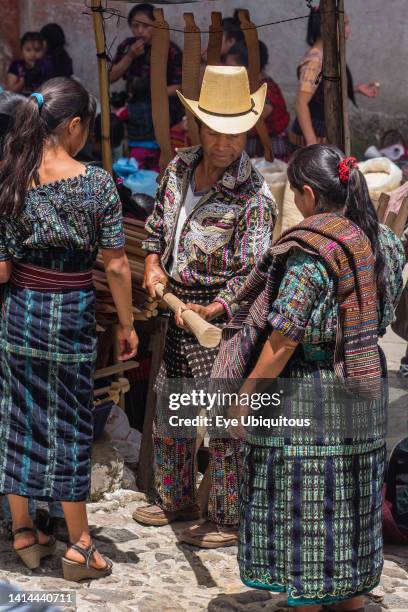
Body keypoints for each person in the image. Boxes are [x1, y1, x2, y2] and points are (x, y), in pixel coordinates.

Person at [212, 144, 405, 609]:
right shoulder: (387, 243)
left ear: (308, 194)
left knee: (305, 499)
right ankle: (350, 598)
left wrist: (244, 397)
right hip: (364, 378)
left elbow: (283, 340)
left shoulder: (311, 252)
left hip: (309, 391)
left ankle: (309, 599)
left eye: (296, 195)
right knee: (353, 496)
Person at [132, 66, 277, 548]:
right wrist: (153, 264)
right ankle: (175, 500)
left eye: (235, 134)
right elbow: (156, 227)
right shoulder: (178, 169)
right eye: (216, 131)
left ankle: (227, 518)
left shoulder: (254, 195)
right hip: (177, 308)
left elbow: (252, 273)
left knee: (223, 421)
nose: (224, 144)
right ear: (199, 127)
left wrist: (213, 309)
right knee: (173, 406)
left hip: (223, 321)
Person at [0, 77, 138, 580]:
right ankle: (80, 545)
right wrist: (126, 324)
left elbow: (3, 269)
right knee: (70, 423)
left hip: (19, 315)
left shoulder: (10, 176)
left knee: (17, 413)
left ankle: (24, 533)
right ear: (75, 125)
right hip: (71, 316)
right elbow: (119, 265)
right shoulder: (96, 184)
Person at [289, 6, 379, 148]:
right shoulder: (316, 61)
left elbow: (321, 89)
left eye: (347, 24)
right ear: (326, 27)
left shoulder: (328, 55)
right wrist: (312, 142)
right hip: (313, 136)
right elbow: (301, 104)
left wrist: (355, 89)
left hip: (324, 133)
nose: (348, 31)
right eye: (343, 25)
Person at [109, 3, 183, 169]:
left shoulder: (170, 50)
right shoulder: (128, 46)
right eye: (135, 26)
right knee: (136, 161)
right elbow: (111, 77)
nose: (140, 31)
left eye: (145, 26)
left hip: (164, 112)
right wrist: (130, 56)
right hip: (136, 115)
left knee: (162, 161)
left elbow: (180, 86)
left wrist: (155, 93)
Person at [225, 40, 290, 160]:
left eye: (232, 69)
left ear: (248, 67)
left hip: (269, 155)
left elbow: (245, 125)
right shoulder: (247, 86)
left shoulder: (266, 92)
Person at [6, 32, 45, 96]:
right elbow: (10, 92)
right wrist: (24, 81)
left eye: (37, 50)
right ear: (22, 51)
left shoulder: (45, 67)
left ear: (43, 52)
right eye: (28, 50)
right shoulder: (16, 65)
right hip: (19, 103)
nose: (32, 54)